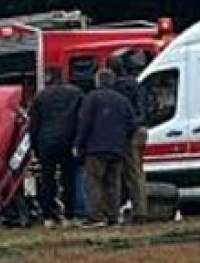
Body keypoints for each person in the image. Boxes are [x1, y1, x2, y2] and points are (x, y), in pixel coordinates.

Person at [76, 69, 138, 227]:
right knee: (113, 183)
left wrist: (79, 143)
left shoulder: (91, 98)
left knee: (94, 181)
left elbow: (84, 123)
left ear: (98, 81)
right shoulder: (123, 100)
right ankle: (113, 216)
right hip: (117, 148)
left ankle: (97, 216)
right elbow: (132, 123)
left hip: (95, 147)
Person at [29, 70, 84, 227]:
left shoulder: (40, 97)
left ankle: (48, 216)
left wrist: (35, 147)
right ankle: (69, 215)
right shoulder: (76, 93)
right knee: (69, 179)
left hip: (46, 143)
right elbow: (81, 120)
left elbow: (34, 125)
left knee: (47, 179)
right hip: (68, 142)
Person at [110, 54, 151, 223]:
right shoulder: (137, 84)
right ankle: (139, 209)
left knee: (128, 173)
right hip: (142, 130)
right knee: (137, 172)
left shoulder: (118, 88)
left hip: (129, 132)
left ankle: (139, 212)